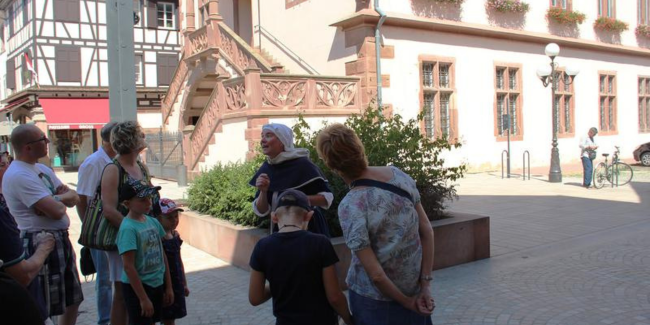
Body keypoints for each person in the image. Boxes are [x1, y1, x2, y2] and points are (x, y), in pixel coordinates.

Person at [316, 124, 435, 325]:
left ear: (332, 166)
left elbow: (377, 276)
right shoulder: (399, 176)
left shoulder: (351, 205)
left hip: (373, 302)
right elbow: (427, 232)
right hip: (414, 288)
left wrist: (407, 303)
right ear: (359, 148)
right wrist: (425, 286)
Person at [3, 124, 82, 325]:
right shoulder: (19, 174)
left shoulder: (42, 169)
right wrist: (60, 199)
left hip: (59, 238)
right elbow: (57, 211)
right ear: (28, 147)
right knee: (47, 300)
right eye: (42, 140)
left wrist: (54, 199)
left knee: (72, 298)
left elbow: (73, 198)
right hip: (39, 239)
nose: (48, 142)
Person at [248, 189, 354, 325]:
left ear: (274, 217)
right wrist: (348, 319)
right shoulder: (320, 243)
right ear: (309, 216)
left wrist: (279, 282)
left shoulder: (262, 247)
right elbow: (334, 297)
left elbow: (255, 298)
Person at [101, 121, 158, 325]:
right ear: (132, 140)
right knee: (122, 292)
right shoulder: (113, 169)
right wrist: (133, 229)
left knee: (139, 287)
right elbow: (108, 209)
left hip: (143, 237)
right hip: (123, 240)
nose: (144, 137)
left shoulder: (141, 166)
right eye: (140, 134)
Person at [249, 123, 333, 236]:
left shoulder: (303, 165)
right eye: (262, 136)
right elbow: (262, 211)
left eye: (268, 135)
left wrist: (298, 199)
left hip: (310, 231)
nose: (262, 140)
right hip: (280, 231)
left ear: (282, 141)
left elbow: (326, 198)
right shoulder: (266, 168)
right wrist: (263, 191)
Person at [76, 122, 117, 325]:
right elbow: (82, 199)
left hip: (115, 227)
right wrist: (89, 231)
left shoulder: (115, 160)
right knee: (104, 279)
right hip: (99, 228)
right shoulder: (94, 163)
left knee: (116, 275)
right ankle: (105, 320)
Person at [116, 178, 173, 325]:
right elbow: (128, 266)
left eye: (149, 198)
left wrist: (169, 286)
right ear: (127, 203)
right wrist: (143, 298)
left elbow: (162, 255)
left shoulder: (152, 221)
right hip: (138, 288)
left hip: (156, 283)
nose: (148, 202)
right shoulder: (128, 228)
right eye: (142, 199)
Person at [157, 198, 189, 325]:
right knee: (167, 317)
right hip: (165, 284)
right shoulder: (159, 240)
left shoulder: (175, 236)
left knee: (172, 317)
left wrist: (184, 283)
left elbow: (179, 260)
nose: (175, 220)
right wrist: (167, 288)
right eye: (169, 218)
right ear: (159, 219)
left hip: (177, 282)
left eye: (176, 216)